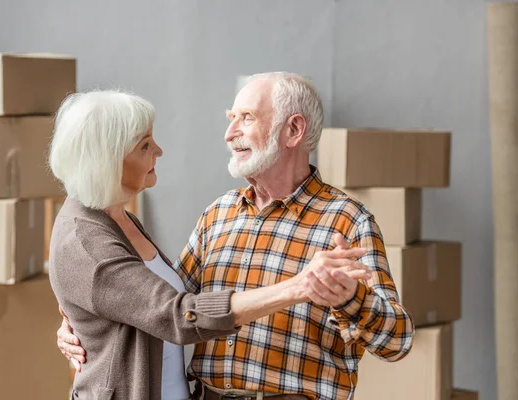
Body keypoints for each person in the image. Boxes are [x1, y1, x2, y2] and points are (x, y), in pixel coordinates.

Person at [57, 73, 415, 400]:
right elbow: (168, 308)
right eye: (231, 120)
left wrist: (351, 298)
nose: (229, 134)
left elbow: (397, 341)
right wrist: (87, 321)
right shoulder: (219, 215)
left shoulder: (347, 222)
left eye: (247, 118)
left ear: (293, 131)